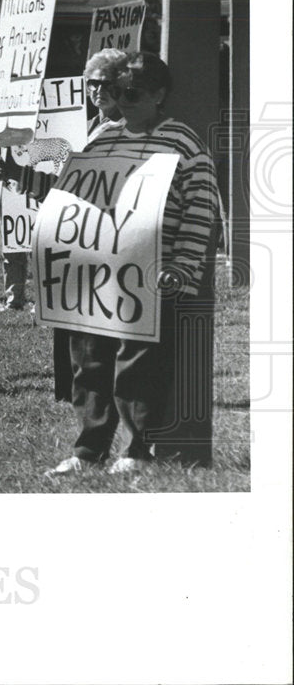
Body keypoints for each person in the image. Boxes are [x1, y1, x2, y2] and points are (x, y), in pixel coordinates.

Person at [28, 52, 222, 475]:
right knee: (90, 362)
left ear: (158, 94)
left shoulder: (183, 142)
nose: (121, 99)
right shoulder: (101, 138)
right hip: (95, 273)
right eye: (115, 92)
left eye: (131, 92)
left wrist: (184, 266)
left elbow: (202, 208)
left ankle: (137, 449)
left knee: (137, 363)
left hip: (150, 274)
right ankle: (88, 449)